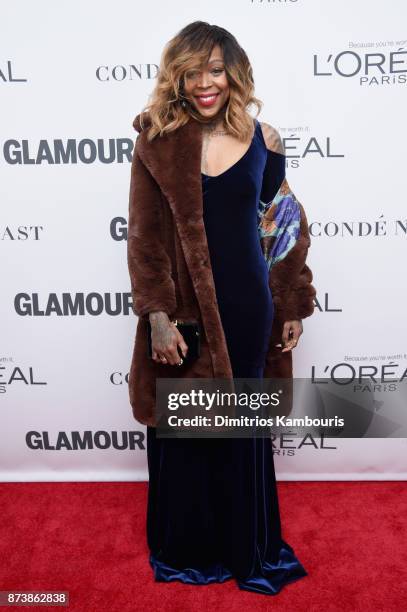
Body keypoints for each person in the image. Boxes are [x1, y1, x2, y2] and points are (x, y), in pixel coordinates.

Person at [127, 21, 316, 596]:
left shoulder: (267, 140)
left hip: (248, 309)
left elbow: (281, 229)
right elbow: (144, 239)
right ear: (176, 77)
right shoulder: (157, 143)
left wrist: (291, 301)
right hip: (184, 317)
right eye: (193, 71)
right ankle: (189, 552)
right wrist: (157, 317)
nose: (205, 83)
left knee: (240, 435)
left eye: (216, 70)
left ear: (233, 73)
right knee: (186, 435)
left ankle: (246, 546)